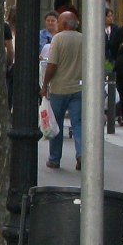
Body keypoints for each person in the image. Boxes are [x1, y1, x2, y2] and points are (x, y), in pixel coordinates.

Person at [42, 10, 85, 170]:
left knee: (56, 123)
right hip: (79, 88)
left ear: (64, 24)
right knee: (78, 123)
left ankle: (54, 158)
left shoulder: (58, 39)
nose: (57, 25)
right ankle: (81, 154)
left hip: (59, 88)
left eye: (59, 22)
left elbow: (52, 64)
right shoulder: (83, 39)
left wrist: (45, 84)